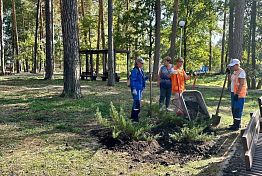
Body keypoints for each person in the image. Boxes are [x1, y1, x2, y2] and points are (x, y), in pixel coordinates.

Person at [227, 59, 247, 131]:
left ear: (237, 65)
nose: (232, 67)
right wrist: (229, 72)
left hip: (239, 94)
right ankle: (235, 123)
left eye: (233, 66)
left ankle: (237, 125)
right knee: (233, 108)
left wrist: (237, 94)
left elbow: (241, 84)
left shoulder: (241, 72)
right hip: (234, 93)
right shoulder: (235, 72)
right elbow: (230, 80)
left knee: (237, 109)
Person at [130, 58, 148, 122]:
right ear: (137, 63)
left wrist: (148, 77)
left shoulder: (141, 70)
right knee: (137, 103)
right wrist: (134, 88)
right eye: (141, 63)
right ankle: (135, 118)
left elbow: (142, 79)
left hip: (140, 89)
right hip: (136, 89)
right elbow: (132, 80)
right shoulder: (135, 70)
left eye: (143, 63)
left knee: (137, 103)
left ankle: (133, 116)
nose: (142, 64)